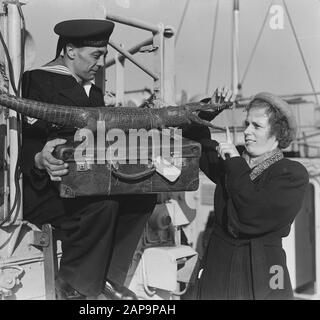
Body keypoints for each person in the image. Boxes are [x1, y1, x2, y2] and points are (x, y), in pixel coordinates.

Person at [21, 19, 158, 300]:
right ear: (70, 51)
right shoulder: (36, 81)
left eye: (104, 55)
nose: (100, 63)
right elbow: (20, 138)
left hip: (87, 183)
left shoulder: (93, 92)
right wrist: (39, 159)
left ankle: (107, 277)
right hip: (48, 190)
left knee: (143, 196)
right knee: (103, 204)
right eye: (96, 55)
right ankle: (74, 286)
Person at [185, 91, 309, 300]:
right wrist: (211, 107)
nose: (247, 132)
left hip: (265, 275)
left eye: (257, 126)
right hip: (217, 270)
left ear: (278, 134)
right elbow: (192, 136)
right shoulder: (231, 162)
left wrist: (234, 162)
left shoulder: (291, 174)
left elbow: (251, 213)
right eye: (247, 124)